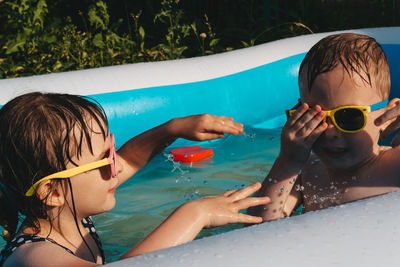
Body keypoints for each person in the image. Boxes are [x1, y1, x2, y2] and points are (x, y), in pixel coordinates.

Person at [0, 92, 270, 266]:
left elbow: (131, 157)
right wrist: (195, 214)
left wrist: (173, 128)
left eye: (111, 149)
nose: (115, 166)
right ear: (52, 192)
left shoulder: (69, 211)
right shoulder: (35, 258)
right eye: (104, 160)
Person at [250, 33, 400, 222]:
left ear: (388, 116)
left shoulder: (395, 166)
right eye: (312, 116)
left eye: (348, 116)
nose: (329, 131)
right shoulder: (307, 172)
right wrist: (287, 162)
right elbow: (259, 227)